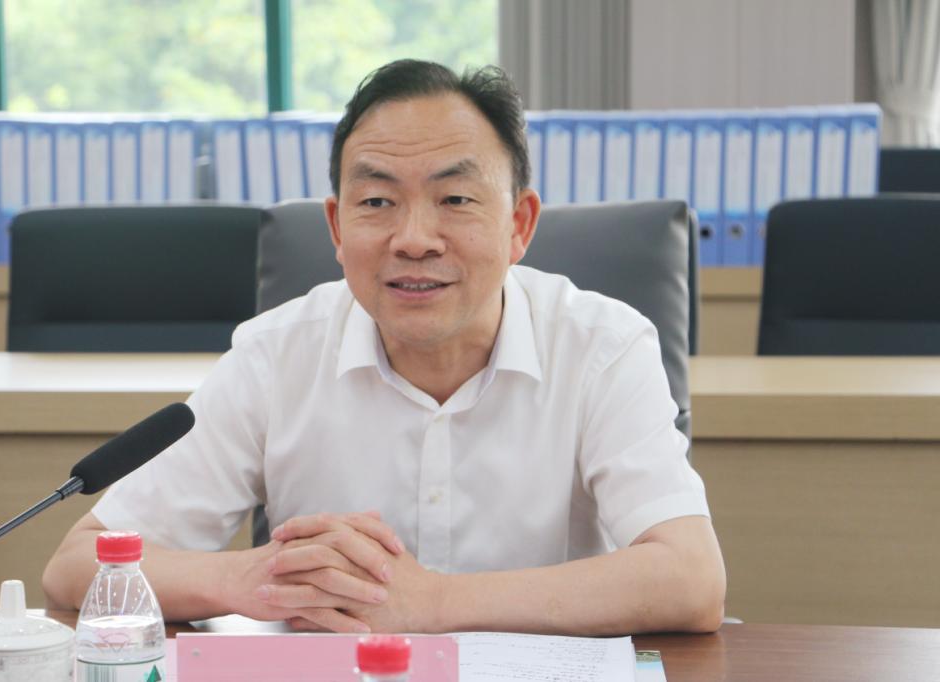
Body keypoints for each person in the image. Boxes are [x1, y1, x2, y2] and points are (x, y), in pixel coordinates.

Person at [44, 59, 725, 635]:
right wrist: (250, 578)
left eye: (455, 199)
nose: (414, 239)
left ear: (519, 224)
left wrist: (434, 602)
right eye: (377, 202)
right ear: (337, 227)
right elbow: (77, 565)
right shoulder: (276, 355)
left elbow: (691, 577)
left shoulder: (603, 347)